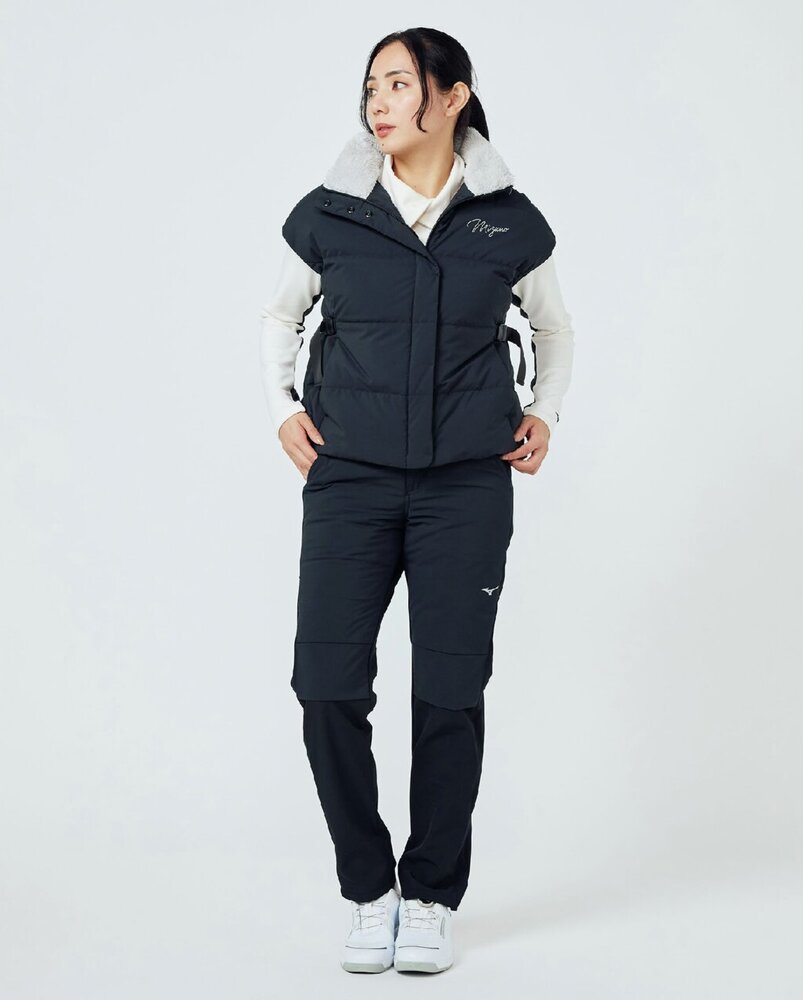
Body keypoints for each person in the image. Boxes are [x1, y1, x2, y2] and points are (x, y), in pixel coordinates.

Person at [259, 27, 574, 974]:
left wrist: (544, 412)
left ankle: (431, 893)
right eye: (371, 88)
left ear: (453, 95)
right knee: (325, 686)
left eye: (399, 84)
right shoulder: (332, 210)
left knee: (449, 691)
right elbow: (282, 312)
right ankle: (370, 890)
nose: (379, 103)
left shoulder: (507, 219)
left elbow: (554, 327)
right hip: (348, 480)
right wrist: (281, 408)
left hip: (465, 486)